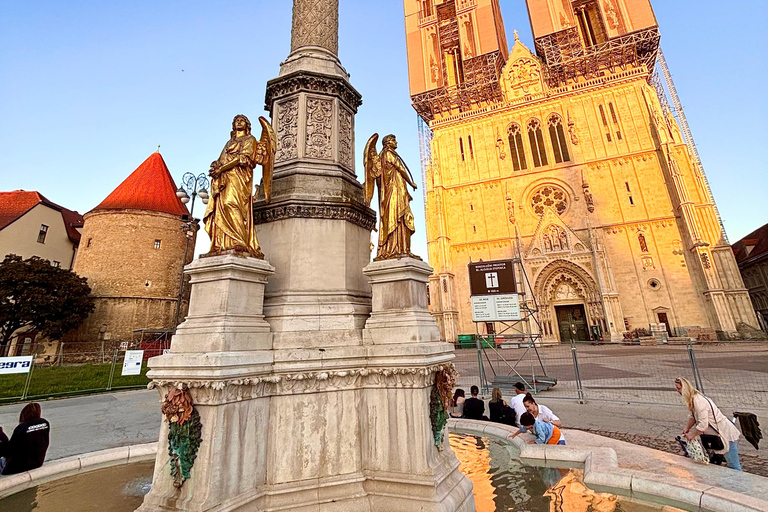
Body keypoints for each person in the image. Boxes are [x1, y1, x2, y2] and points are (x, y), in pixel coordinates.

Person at [203, 114, 275, 259]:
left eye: (242, 120)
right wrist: (216, 166)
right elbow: (221, 159)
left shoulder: (250, 140)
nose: (239, 122)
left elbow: (243, 158)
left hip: (239, 177)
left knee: (232, 204)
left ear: (247, 125)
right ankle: (222, 243)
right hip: (225, 178)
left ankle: (239, 240)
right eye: (236, 120)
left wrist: (221, 168)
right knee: (221, 206)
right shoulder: (230, 142)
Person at [363, 134, 418, 260]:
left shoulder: (387, 154)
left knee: (404, 218)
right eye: (394, 140)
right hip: (394, 191)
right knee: (398, 217)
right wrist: (411, 182)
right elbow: (401, 168)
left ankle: (403, 248)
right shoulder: (388, 154)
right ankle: (396, 248)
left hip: (398, 190)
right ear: (388, 142)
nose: (396, 142)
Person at [675, 377, 741, 470]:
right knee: (713, 464)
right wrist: (687, 428)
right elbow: (693, 416)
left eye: (679, 388)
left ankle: (739, 483)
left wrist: (692, 435)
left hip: (725, 434)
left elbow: (703, 424)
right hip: (713, 436)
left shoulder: (698, 401)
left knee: (734, 466)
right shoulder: (692, 399)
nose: (678, 391)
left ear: (685, 388)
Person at [0, 403, 50, 475]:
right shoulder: (45, 423)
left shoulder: (22, 427)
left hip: (16, 467)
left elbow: (9, 451)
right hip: (37, 462)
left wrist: (1, 435)